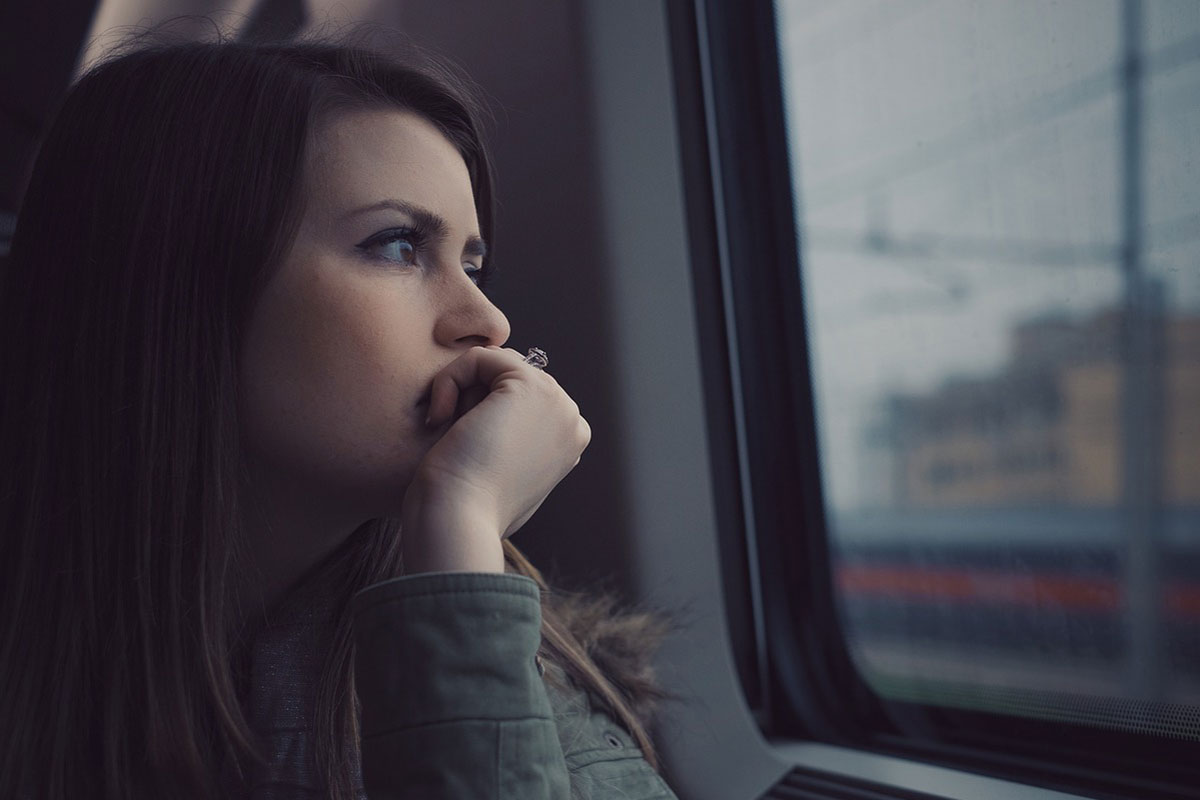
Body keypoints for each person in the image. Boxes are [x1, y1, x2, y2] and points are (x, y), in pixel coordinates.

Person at [0, 30, 678, 799]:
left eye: (472, 264)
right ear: (173, 291)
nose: (488, 321)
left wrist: (459, 523)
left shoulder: (546, 714)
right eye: (397, 246)